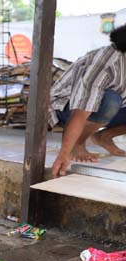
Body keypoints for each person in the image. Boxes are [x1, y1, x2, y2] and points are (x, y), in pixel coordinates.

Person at [51, 24, 126, 178]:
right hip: (67, 108)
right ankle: (78, 143)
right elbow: (80, 111)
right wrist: (65, 153)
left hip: (102, 109)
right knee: (111, 101)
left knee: (112, 102)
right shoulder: (106, 63)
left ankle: (104, 137)